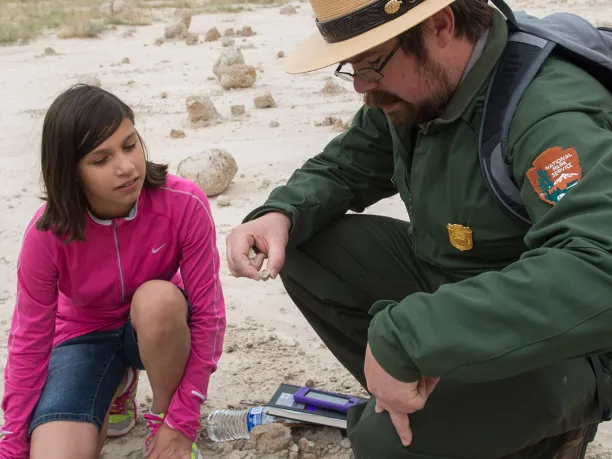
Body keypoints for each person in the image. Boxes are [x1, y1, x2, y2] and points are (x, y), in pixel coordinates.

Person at [226, 0, 612, 457]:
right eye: (352, 68)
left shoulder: (546, 107)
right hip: (460, 282)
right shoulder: (419, 85)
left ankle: (546, 435)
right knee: (304, 244)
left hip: (570, 341)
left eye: (371, 65)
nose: (363, 88)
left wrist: (409, 335)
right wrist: (282, 213)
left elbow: (598, 270)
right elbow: (348, 163)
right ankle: (417, 400)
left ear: (441, 25)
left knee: (383, 445)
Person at [0, 84, 226, 459]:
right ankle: (117, 388)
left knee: (158, 301)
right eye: (100, 159)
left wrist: (182, 421)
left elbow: (209, 316)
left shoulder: (184, 203)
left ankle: (162, 416)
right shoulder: (46, 235)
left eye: (129, 144)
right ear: (70, 172)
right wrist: (11, 446)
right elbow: (29, 343)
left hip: (157, 330)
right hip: (82, 337)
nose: (126, 167)